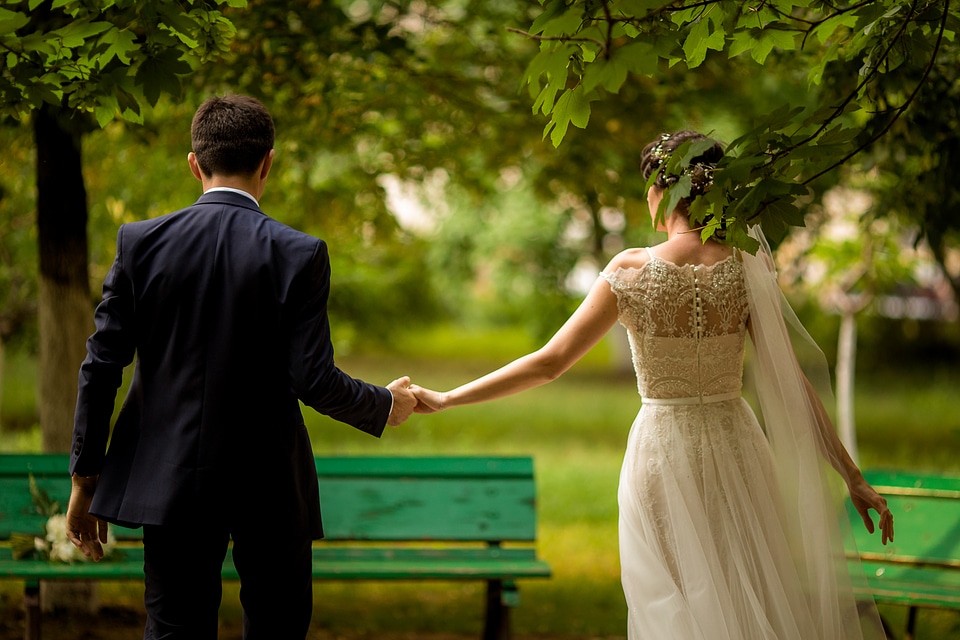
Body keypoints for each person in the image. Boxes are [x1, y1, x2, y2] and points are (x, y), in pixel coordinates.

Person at [411, 131, 895, 639]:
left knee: (673, 603)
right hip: (739, 448)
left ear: (662, 190)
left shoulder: (631, 271)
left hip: (663, 453)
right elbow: (791, 383)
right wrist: (851, 474)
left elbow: (549, 363)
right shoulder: (747, 266)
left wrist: (448, 397)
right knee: (744, 591)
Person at [65, 94, 418, 640]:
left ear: (194, 163)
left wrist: (86, 479)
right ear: (267, 163)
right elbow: (313, 379)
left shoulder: (140, 244)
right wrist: (385, 404)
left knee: (174, 630)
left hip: (168, 480)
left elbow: (101, 365)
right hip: (269, 485)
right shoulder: (299, 253)